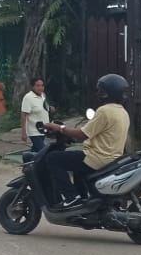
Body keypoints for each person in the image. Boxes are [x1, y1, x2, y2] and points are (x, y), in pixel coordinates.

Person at [42, 74, 131, 207]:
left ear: (107, 93)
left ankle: (71, 197)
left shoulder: (105, 111)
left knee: (53, 158)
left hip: (96, 158)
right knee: (77, 168)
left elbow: (83, 134)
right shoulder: (123, 112)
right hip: (112, 158)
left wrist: (59, 128)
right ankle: (84, 200)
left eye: (100, 91)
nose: (98, 94)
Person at [20, 78, 54, 152]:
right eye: (37, 86)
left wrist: (50, 108)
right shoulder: (28, 98)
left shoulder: (43, 95)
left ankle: (28, 161)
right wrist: (23, 132)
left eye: (42, 85)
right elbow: (23, 115)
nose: (40, 88)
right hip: (34, 130)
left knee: (36, 150)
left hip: (44, 128)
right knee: (43, 150)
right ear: (33, 87)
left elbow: (44, 107)